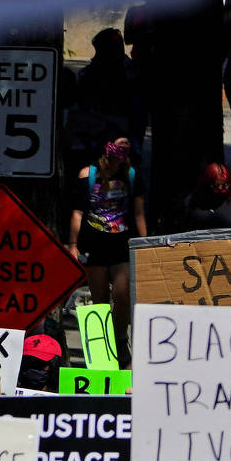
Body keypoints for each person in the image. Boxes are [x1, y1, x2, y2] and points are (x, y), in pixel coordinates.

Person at [69, 136, 145, 344]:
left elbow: (139, 213)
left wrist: (145, 244)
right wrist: (73, 245)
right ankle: (101, 344)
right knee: (99, 300)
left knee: (122, 296)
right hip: (95, 245)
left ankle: (119, 338)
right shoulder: (88, 175)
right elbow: (78, 212)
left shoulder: (130, 175)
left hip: (121, 244)